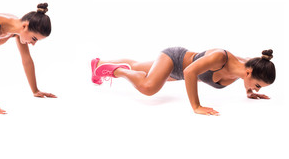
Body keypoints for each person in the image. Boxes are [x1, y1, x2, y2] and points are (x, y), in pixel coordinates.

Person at [91, 47, 276, 116]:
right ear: (249, 72)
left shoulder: (247, 69)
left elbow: (250, 78)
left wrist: (250, 92)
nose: (256, 88)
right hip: (175, 59)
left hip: (176, 74)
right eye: (257, 85)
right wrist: (196, 106)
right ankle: (117, 71)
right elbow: (189, 72)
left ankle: (98, 64)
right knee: (148, 87)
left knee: (138, 65)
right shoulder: (221, 57)